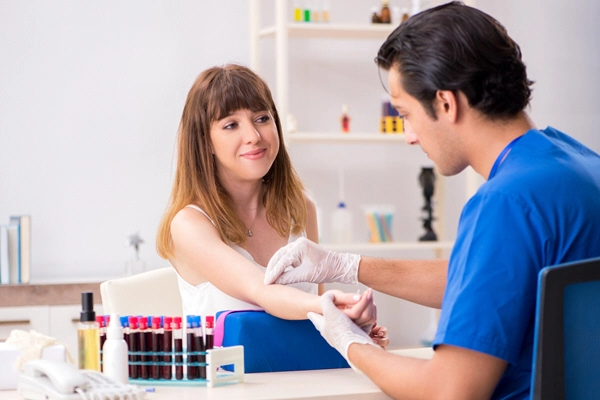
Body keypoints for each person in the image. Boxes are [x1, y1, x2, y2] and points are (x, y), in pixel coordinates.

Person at [265, 2, 600, 399]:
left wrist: (351, 344)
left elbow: (449, 391)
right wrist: (348, 265)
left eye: (405, 113)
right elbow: (490, 279)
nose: (408, 135)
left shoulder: (506, 202)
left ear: (445, 103)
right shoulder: (578, 164)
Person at [155, 64, 387, 346]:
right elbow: (259, 291)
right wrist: (334, 308)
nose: (253, 135)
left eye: (262, 118)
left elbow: (312, 313)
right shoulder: (189, 224)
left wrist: (351, 332)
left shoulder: (301, 208)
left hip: (299, 383)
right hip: (226, 386)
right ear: (206, 142)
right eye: (231, 125)